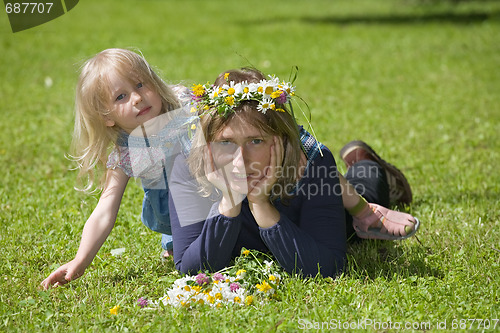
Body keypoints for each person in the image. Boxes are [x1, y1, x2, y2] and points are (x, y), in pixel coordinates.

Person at [167, 68, 419, 278]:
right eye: (226, 142)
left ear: (281, 140)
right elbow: (190, 270)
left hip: (335, 216)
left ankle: (365, 163)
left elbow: (327, 267)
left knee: (365, 193)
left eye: (256, 141)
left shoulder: (312, 163)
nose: (239, 161)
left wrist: (262, 206)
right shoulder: (188, 168)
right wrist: (228, 204)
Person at [41, 48, 194, 289]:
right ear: (107, 117)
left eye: (141, 84)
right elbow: (104, 210)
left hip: (210, 190)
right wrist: (80, 260)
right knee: (192, 260)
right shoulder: (128, 152)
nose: (137, 98)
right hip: (175, 214)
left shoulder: (184, 104)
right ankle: (174, 238)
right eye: (120, 97)